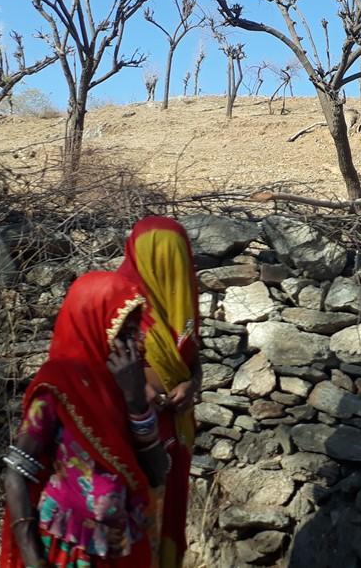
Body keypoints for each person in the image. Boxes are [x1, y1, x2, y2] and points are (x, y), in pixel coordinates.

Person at [0, 271, 171, 568]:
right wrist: (32, 558)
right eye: (124, 332)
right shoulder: (57, 388)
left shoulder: (128, 388)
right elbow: (15, 472)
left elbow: (156, 473)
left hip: (121, 547)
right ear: (95, 325)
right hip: (68, 548)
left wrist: (136, 403)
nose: (135, 345)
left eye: (135, 332)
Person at [117, 217, 203, 568]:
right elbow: (101, 368)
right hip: (131, 432)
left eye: (177, 255)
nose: (170, 266)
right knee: (136, 521)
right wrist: (141, 391)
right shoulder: (119, 304)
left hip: (175, 428)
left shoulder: (183, 306)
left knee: (168, 517)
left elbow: (194, 359)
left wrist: (191, 385)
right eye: (161, 256)